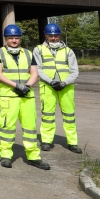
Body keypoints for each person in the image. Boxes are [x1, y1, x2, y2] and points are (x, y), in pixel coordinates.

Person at [0, 24, 49, 170]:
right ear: (6, 39)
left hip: (27, 96)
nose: (14, 41)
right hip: (9, 97)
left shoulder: (29, 54)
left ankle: (33, 156)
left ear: (20, 39)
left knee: (30, 128)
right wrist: (17, 86)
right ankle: (5, 155)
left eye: (17, 38)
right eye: (11, 38)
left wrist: (27, 86)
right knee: (7, 127)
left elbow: (34, 73)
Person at [34, 23, 81, 154]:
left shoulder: (68, 51)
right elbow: (37, 69)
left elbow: (74, 71)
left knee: (69, 116)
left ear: (60, 36)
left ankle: (72, 143)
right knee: (47, 115)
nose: (53, 38)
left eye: (56, 35)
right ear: (45, 36)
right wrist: (51, 81)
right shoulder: (38, 50)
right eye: (50, 36)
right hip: (47, 87)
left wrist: (64, 83)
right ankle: (46, 141)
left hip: (66, 87)